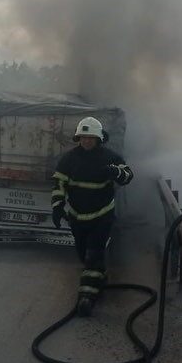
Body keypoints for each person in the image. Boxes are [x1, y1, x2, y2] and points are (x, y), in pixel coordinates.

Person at [50, 116, 134, 316]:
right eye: (83, 137)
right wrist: (57, 206)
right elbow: (59, 184)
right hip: (77, 217)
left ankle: (86, 298)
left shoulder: (110, 158)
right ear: (78, 138)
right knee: (82, 254)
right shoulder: (69, 159)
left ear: (98, 139)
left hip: (101, 216)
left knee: (93, 254)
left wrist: (115, 172)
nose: (86, 141)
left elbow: (128, 176)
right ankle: (99, 277)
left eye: (90, 138)